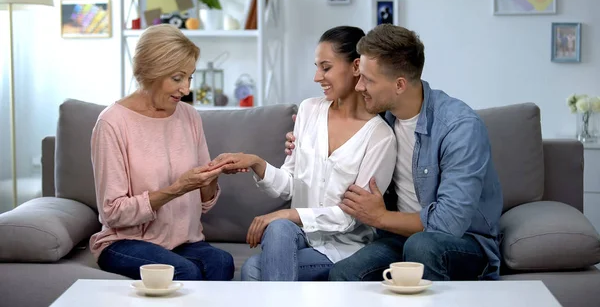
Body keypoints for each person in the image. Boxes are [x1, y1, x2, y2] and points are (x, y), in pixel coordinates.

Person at [286, 24, 503, 282]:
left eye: (368, 80)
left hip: (463, 243)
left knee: (421, 246)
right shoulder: (381, 121)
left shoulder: (459, 128)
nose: (358, 87)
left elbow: (449, 223)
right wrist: (306, 141)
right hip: (398, 238)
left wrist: (381, 217)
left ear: (399, 84)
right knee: (344, 273)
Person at [209, 26, 397, 281]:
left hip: (342, 249)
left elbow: (351, 217)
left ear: (355, 67)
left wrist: (288, 213)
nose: (317, 77)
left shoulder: (379, 137)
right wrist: (256, 162)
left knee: (255, 267)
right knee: (279, 228)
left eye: (326, 67)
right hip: (297, 238)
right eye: (317, 67)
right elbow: (289, 185)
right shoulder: (309, 110)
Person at [89, 24, 234, 281]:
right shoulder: (112, 123)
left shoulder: (189, 116)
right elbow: (112, 212)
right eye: (177, 78)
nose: (186, 89)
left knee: (222, 262)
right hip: (125, 242)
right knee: (184, 271)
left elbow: (205, 201)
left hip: (183, 241)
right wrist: (176, 189)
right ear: (151, 72)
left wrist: (213, 175)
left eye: (190, 77)